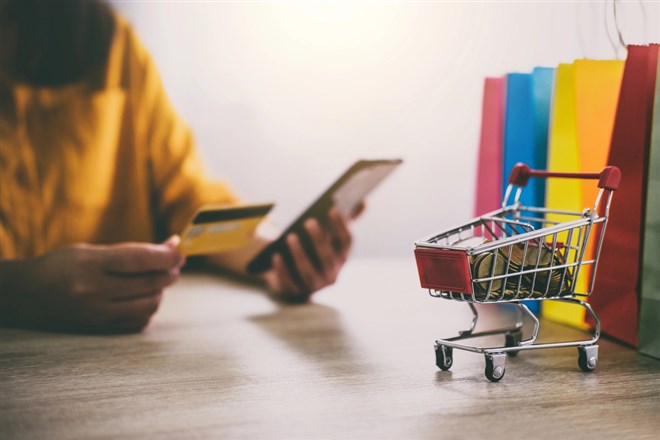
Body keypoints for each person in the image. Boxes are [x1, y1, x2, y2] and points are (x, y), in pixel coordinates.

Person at [0, 1, 358, 333]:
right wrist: (17, 291)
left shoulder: (115, 48)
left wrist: (274, 257)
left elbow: (190, 200)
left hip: (121, 363)